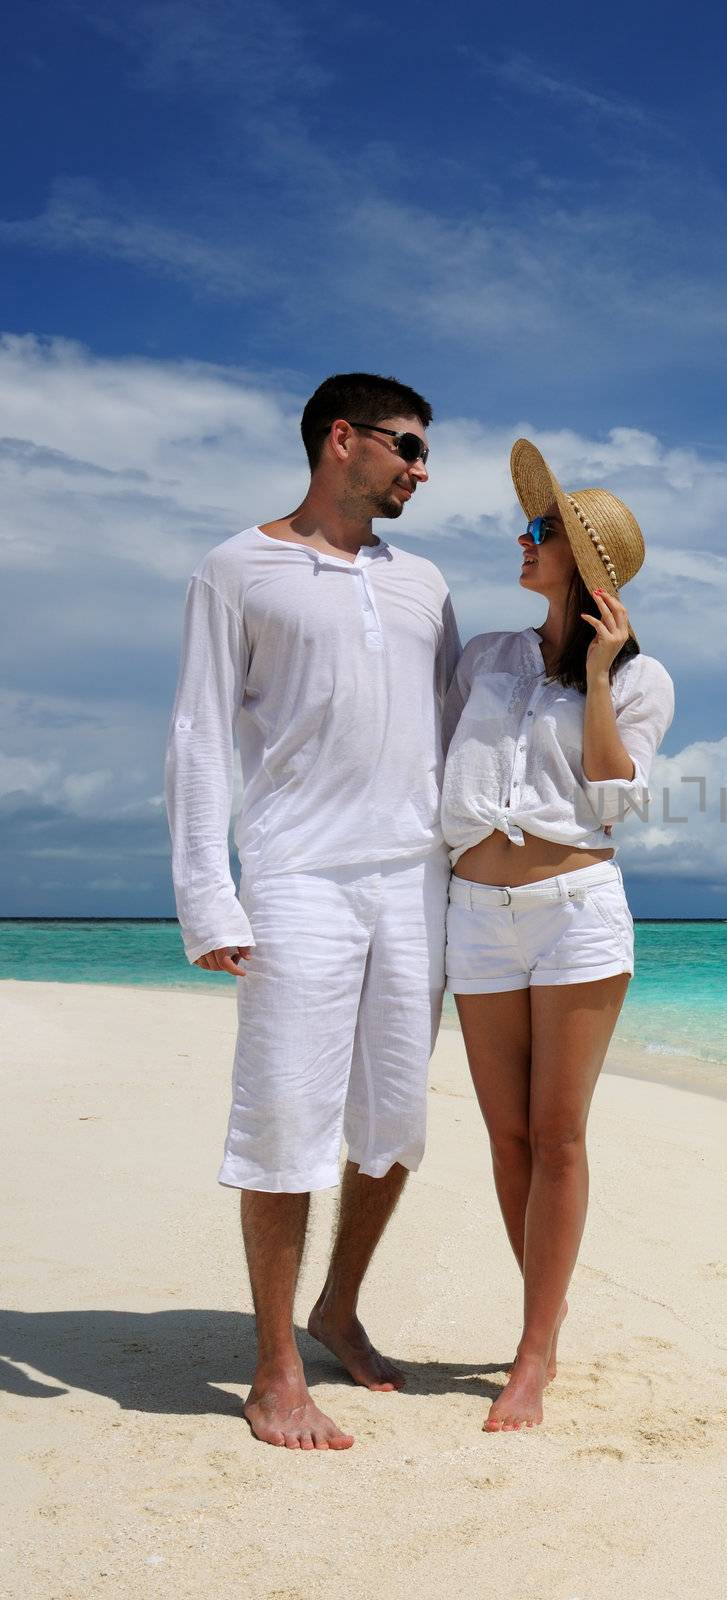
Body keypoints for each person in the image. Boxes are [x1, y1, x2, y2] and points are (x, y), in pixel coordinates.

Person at [164, 373, 460, 1451]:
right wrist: (211, 897)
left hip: (415, 880)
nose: (421, 471)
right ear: (344, 439)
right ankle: (275, 1364)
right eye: (408, 448)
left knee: (392, 1121)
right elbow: (198, 735)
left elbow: (453, 730)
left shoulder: (424, 582)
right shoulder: (234, 569)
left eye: (424, 454)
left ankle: (338, 1306)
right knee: (287, 1117)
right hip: (295, 876)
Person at [441, 437, 674, 1432]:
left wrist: (602, 666)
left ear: (586, 564)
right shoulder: (486, 655)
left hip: (576, 914)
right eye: (532, 525)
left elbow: (616, 799)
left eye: (543, 532)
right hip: (474, 915)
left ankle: (533, 1352)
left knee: (558, 1136)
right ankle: (545, 1306)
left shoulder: (643, 678)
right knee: (504, 1136)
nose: (523, 538)